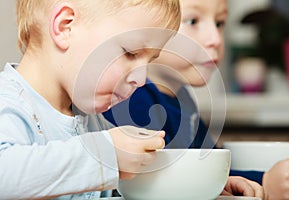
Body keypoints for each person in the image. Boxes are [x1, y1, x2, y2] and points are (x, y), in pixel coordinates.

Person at [0, 0, 182, 199]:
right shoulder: (8, 100)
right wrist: (104, 154)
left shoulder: (91, 122)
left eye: (149, 61)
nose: (140, 79)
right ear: (65, 27)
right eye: (131, 53)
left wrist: (196, 178)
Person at [103, 0, 264, 198]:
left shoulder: (183, 99)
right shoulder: (130, 98)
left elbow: (210, 168)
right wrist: (268, 181)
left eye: (220, 23)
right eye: (193, 21)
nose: (215, 39)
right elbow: (155, 182)